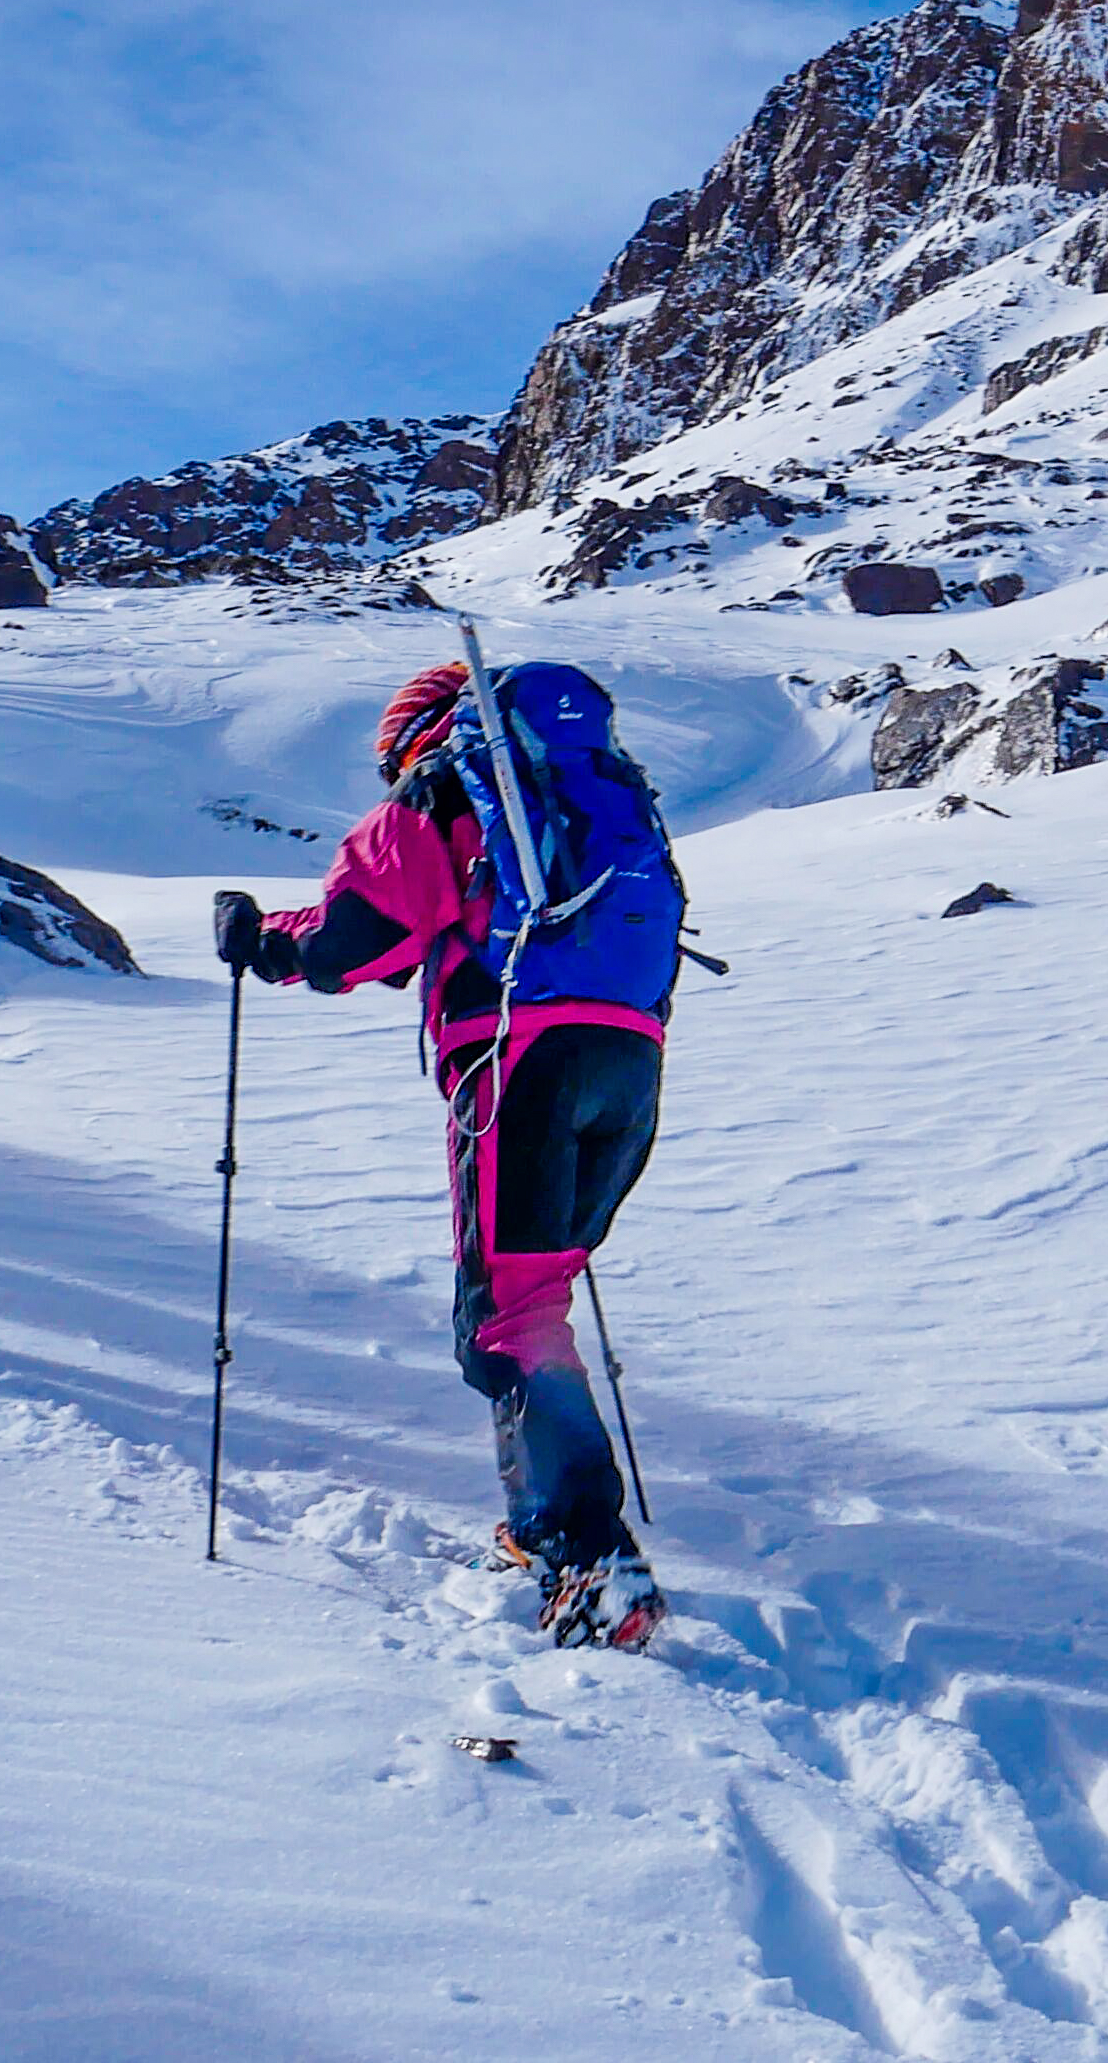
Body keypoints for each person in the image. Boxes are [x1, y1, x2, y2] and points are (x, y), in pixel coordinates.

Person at [216, 653, 681, 1648]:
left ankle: (592, 1562)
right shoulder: (595, 797)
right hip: (627, 1064)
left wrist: (266, 939)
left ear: (413, 737)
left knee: (502, 1321)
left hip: (519, 1060)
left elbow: (356, 942)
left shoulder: (441, 791)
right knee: (534, 1301)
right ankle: (537, 1528)